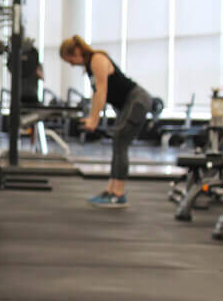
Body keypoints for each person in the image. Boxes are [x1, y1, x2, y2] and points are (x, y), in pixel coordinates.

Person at [60, 35, 153, 208]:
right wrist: (92, 117)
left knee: (120, 140)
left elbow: (101, 92)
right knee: (118, 142)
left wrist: (94, 119)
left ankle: (118, 193)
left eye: (70, 59)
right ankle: (111, 191)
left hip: (137, 100)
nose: (71, 64)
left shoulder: (97, 59)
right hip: (127, 104)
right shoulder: (90, 66)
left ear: (77, 51)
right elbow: (97, 94)